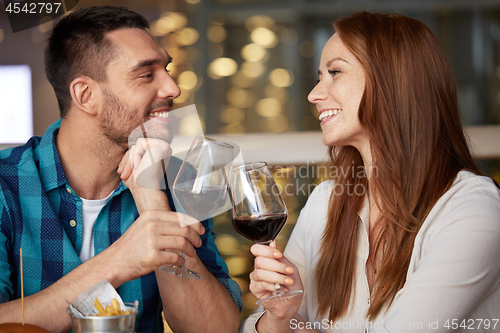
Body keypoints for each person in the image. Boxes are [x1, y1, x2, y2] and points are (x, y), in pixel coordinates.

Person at [240, 11, 500, 333]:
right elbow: (257, 326)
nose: (314, 94)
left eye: (335, 72)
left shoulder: (473, 208)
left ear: (393, 80)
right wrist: (281, 315)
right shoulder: (326, 202)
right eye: (320, 75)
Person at [0, 6, 242, 332]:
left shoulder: (180, 179)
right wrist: (120, 260)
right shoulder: (6, 185)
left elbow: (214, 329)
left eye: (167, 70)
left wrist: (153, 203)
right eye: (146, 74)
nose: (173, 88)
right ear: (86, 95)